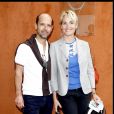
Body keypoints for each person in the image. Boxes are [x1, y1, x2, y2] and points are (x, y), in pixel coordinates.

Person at [50, 10, 101, 114]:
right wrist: (54, 99)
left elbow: (90, 69)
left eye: (71, 22)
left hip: (84, 92)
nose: (68, 26)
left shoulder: (85, 45)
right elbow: (53, 74)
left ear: (76, 25)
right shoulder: (54, 46)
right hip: (65, 93)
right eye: (64, 23)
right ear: (61, 26)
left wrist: (94, 93)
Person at [14, 13, 53, 114]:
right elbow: (18, 72)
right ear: (36, 26)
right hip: (31, 98)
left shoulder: (52, 48)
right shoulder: (25, 47)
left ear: (52, 28)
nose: (45, 28)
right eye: (42, 24)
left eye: (48, 25)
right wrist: (18, 95)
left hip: (48, 97)